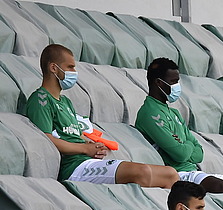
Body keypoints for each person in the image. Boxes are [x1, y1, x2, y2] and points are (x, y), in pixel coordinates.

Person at [25, 44, 179, 187]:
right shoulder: (41, 99)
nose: (74, 72)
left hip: (87, 161)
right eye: (70, 67)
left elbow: (74, 134)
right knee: (142, 172)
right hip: (74, 167)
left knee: (170, 174)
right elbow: (47, 138)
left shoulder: (66, 101)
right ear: (53, 68)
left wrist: (92, 145)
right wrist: (85, 149)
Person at [134, 58, 223, 196]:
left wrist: (184, 145)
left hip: (194, 171)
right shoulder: (150, 113)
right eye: (173, 82)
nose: (177, 86)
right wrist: (187, 144)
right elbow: (180, 154)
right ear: (159, 83)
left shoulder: (174, 113)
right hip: (177, 175)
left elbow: (199, 154)